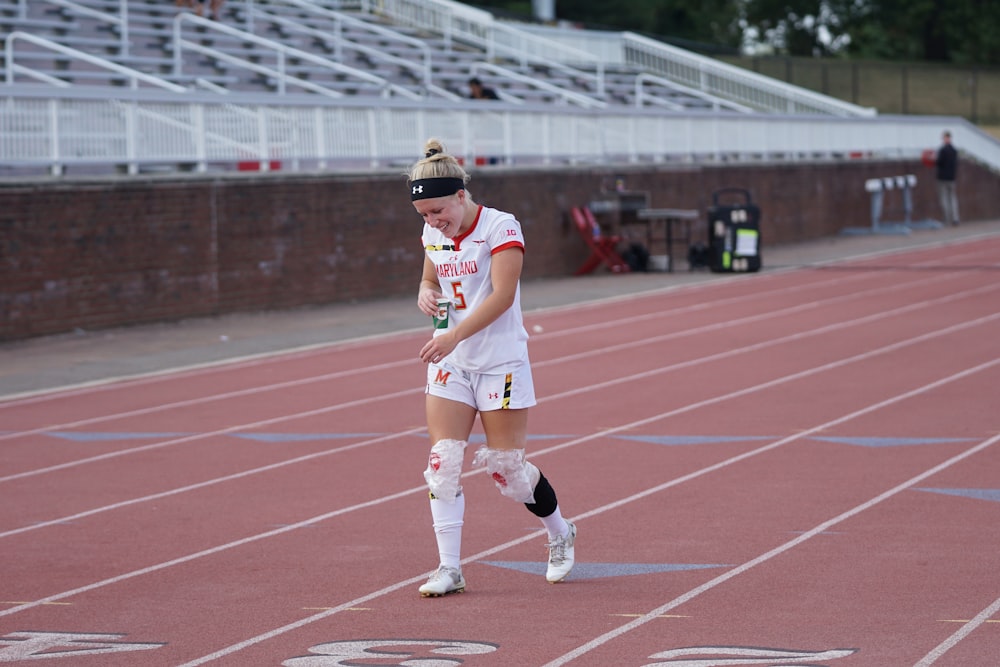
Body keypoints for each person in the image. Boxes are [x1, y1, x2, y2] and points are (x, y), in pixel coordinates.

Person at [408, 138, 576, 597]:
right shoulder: (432, 233)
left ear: (462, 195)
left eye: (439, 211)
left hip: (499, 362)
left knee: (508, 472)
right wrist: (425, 292)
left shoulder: (501, 227)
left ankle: (560, 533)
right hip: (452, 363)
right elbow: (431, 276)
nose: (434, 222)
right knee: (442, 464)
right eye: (425, 216)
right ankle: (449, 568)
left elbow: (502, 296)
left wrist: (454, 334)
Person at [935, 130, 960, 226]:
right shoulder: (954, 150)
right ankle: (955, 218)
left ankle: (947, 218)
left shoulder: (943, 150)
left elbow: (939, 162)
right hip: (952, 177)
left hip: (942, 178)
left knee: (944, 199)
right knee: (953, 198)